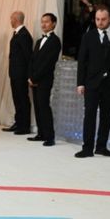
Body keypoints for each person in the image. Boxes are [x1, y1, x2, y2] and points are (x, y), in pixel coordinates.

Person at [75, 5, 110, 158]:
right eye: (97, 19)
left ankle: (101, 147)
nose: (100, 22)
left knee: (107, 116)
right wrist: (80, 83)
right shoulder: (88, 36)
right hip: (91, 83)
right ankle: (87, 148)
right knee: (89, 115)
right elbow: (82, 62)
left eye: (103, 19)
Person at [28, 13, 62, 146]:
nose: (43, 24)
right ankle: (41, 133)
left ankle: (49, 136)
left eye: (46, 22)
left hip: (45, 79)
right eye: (42, 22)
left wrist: (35, 77)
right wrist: (30, 76)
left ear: (53, 23)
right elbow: (32, 60)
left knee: (44, 106)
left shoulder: (55, 41)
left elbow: (48, 63)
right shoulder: (38, 41)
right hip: (34, 79)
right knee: (37, 106)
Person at [3, 11, 33, 135]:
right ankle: (18, 122)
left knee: (22, 99)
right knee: (17, 98)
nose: (10, 21)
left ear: (15, 19)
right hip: (15, 73)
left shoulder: (24, 35)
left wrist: (28, 74)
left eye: (11, 18)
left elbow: (28, 57)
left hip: (21, 73)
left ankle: (24, 126)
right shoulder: (18, 33)